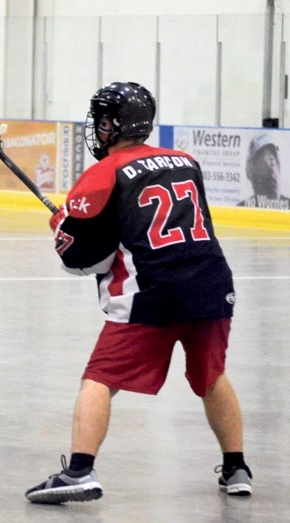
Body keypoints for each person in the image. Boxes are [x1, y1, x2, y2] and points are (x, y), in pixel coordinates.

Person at [25, 82, 252, 504]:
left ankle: (79, 472)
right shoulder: (186, 161)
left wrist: (63, 233)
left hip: (152, 293)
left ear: (111, 125)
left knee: (98, 380)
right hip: (212, 285)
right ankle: (237, 468)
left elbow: (82, 261)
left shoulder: (101, 174)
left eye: (100, 121)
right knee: (212, 377)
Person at [237, 133, 290, 209]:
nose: (270, 171)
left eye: (272, 162)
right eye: (263, 164)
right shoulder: (242, 209)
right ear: (252, 173)